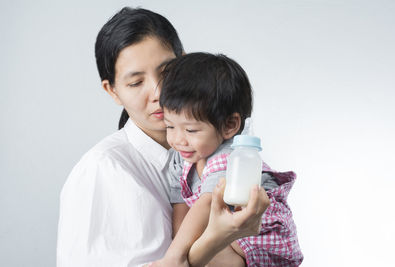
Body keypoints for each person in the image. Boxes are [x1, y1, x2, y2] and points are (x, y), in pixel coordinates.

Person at [57, 7, 270, 267]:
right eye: (136, 83)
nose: (158, 92)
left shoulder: (210, 153)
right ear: (112, 91)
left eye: (167, 72)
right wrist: (216, 240)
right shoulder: (103, 170)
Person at [148, 53, 303, 266]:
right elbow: (181, 207)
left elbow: (207, 202)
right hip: (226, 232)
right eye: (170, 126)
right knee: (197, 248)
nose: (177, 139)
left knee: (206, 249)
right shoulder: (181, 156)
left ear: (230, 126)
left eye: (191, 130)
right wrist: (175, 251)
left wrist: (174, 257)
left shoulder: (230, 157)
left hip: (260, 236)